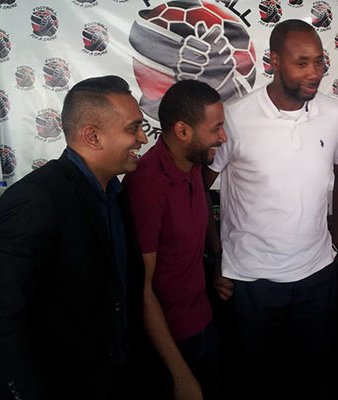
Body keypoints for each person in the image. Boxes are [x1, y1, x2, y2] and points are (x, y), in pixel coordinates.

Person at [202, 19, 338, 399]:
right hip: (251, 281)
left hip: (317, 277)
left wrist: (334, 243)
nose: (315, 73)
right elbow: (197, 188)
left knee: (315, 380)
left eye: (319, 62)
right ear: (273, 61)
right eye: (302, 63)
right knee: (256, 383)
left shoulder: (334, 114)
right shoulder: (235, 118)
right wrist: (216, 256)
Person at [0, 75, 148, 400]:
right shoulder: (35, 200)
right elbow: (9, 318)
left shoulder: (115, 191)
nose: (143, 138)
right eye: (133, 128)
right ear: (93, 136)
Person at [122, 80, 226, 400]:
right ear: (183, 131)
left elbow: (204, 204)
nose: (223, 137)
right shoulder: (146, 186)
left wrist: (217, 255)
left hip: (203, 318)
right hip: (169, 342)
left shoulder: (193, 161)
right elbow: (142, 289)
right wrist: (179, 374)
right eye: (216, 129)